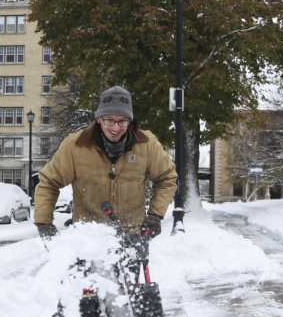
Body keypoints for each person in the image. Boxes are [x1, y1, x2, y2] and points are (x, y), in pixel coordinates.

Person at [34, 85, 178, 239]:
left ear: (130, 121)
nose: (116, 128)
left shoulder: (146, 144)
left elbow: (167, 178)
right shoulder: (74, 146)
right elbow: (49, 182)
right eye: (109, 120)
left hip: (132, 237)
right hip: (87, 239)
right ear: (99, 119)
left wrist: (155, 215)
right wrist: (44, 223)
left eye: (122, 121)